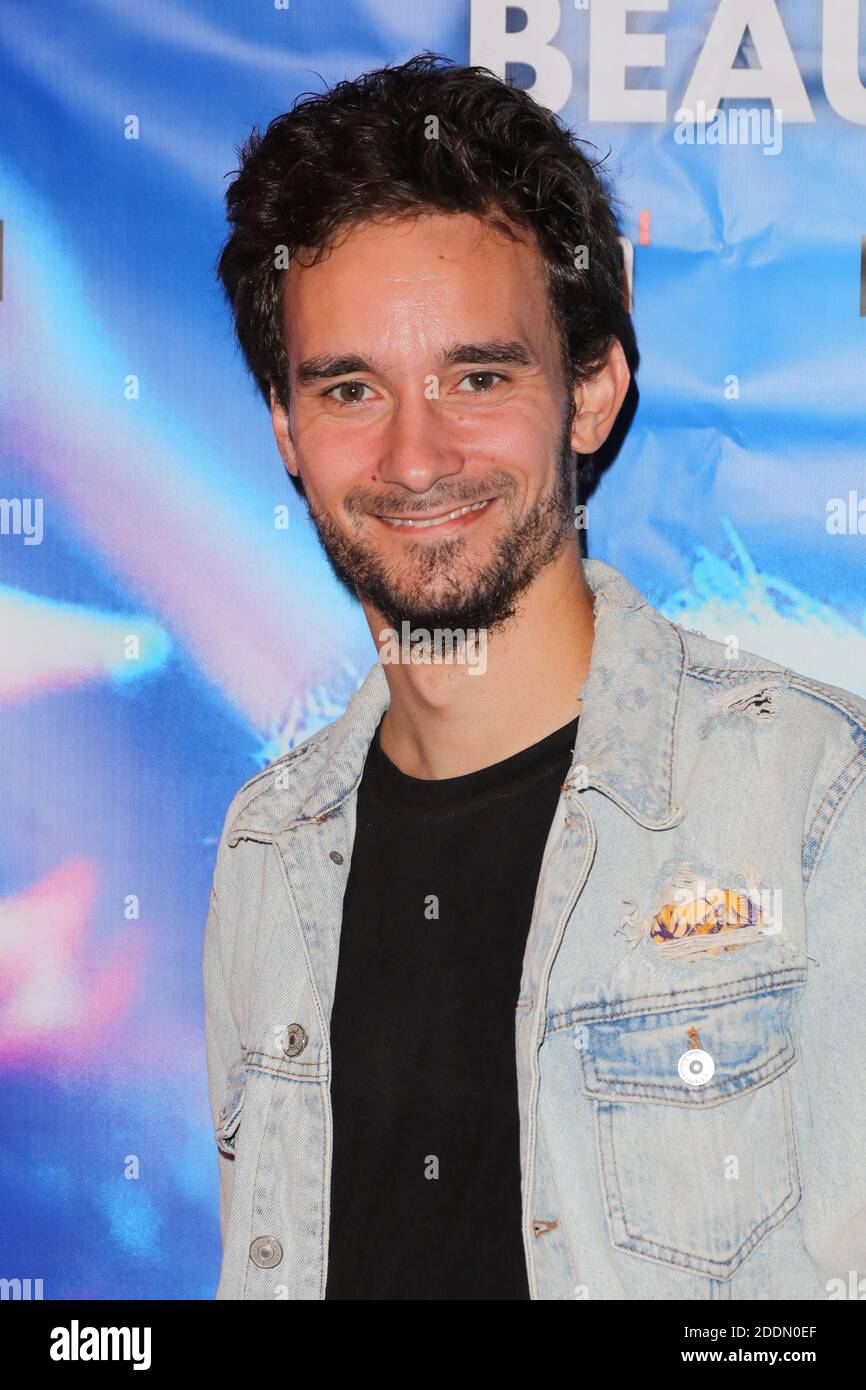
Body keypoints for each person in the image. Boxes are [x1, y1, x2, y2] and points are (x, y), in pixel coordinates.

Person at [203, 52, 866, 1300]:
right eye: (350, 387)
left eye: (476, 375)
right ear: (287, 430)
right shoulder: (265, 852)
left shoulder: (818, 804)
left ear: (592, 388)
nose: (415, 454)